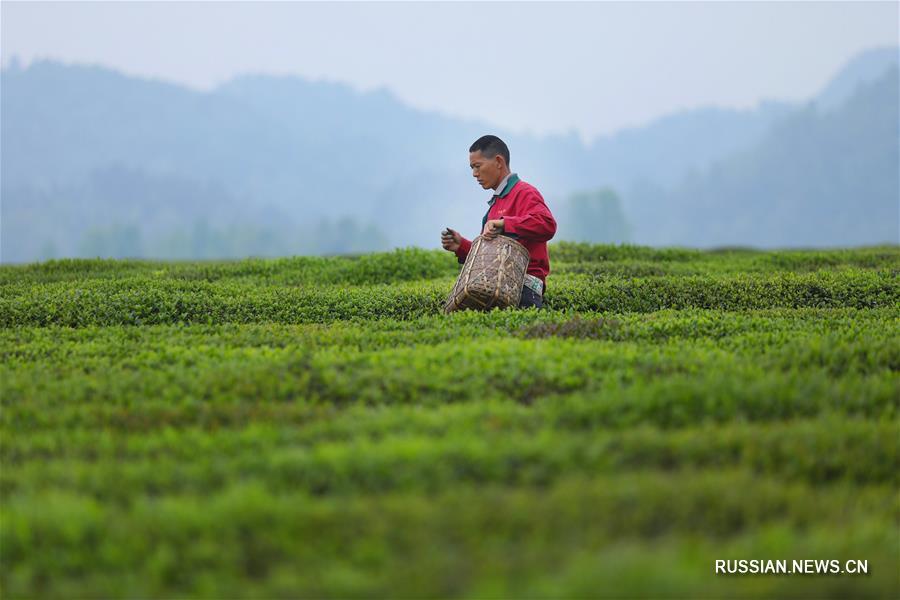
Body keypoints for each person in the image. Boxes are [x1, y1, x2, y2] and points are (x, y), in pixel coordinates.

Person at [441, 135, 557, 309]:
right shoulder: (495, 204)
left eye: (477, 166)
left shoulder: (525, 192)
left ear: (498, 161)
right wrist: (462, 246)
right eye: (472, 168)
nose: (474, 174)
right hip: (496, 287)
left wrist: (505, 224)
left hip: (524, 290)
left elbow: (547, 225)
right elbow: (489, 258)